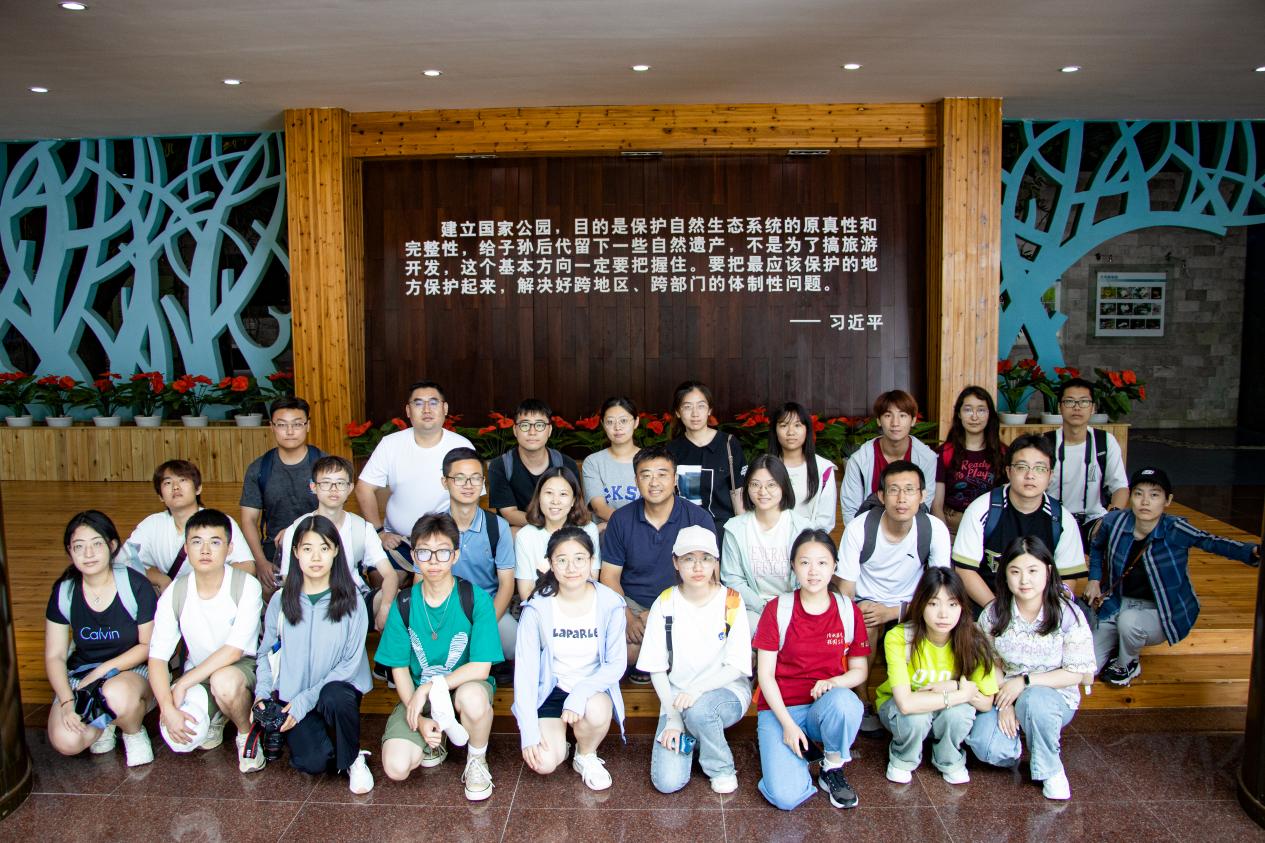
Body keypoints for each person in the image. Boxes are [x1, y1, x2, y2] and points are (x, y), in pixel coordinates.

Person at [1086, 467, 1262, 686]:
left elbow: (1211, 542)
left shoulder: (1175, 528)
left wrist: (1251, 551)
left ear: (1167, 500)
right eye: (1139, 494)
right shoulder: (1114, 521)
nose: (1145, 502)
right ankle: (1120, 644)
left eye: (1154, 495)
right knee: (1087, 667)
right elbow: (1097, 546)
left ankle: (1128, 662)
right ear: (1131, 497)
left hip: (1159, 610)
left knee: (1129, 622)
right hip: (1116, 604)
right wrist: (1094, 579)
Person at [375, 514, 503, 802]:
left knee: (473, 698)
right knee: (396, 767)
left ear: (455, 555)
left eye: (443, 552)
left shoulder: (475, 599)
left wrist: (430, 687)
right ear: (413, 556)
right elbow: (399, 670)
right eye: (424, 552)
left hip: (462, 688)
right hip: (420, 697)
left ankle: (477, 759)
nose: (433, 561)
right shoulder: (404, 603)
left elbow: (481, 668)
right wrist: (420, 719)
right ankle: (436, 735)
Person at [967, 537, 1097, 801]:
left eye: (1033, 571)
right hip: (1005, 692)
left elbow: (1076, 672)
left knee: (1034, 701)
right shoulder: (994, 613)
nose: (1024, 580)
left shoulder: (1067, 614)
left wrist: (1025, 682)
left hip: (1052, 696)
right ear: (1005, 575)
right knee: (988, 748)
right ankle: (1022, 741)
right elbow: (988, 662)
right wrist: (1005, 702)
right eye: (1015, 571)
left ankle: (1051, 769)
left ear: (1048, 571)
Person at [255, 515, 374, 792]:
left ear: (335, 551)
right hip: (294, 694)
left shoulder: (352, 600)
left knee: (335, 696)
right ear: (296, 552)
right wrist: (262, 693)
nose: (316, 557)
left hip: (336, 691)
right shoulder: (281, 600)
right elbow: (265, 654)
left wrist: (304, 701)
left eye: (324, 548)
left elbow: (350, 664)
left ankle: (353, 758)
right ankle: (334, 745)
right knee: (311, 762)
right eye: (307, 548)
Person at [753, 529, 868, 811]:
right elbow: (765, 676)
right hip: (781, 709)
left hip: (822, 706)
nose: (813, 571)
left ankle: (831, 766)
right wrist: (788, 726)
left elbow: (859, 671)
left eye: (822, 563)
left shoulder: (847, 611)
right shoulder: (777, 609)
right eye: (805, 562)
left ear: (834, 566)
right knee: (785, 797)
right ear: (793, 566)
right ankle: (785, 755)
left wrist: (835, 682)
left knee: (845, 702)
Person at [834, 460, 952, 734]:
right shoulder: (860, 528)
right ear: (881, 495)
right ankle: (862, 698)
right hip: (866, 601)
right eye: (894, 490)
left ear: (922, 495)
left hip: (914, 604)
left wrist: (895, 612)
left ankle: (916, 695)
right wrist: (853, 616)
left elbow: (939, 591)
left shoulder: (934, 530)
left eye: (910, 490)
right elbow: (846, 590)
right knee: (866, 622)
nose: (901, 498)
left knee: (933, 620)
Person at [147, 509, 265, 773]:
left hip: (242, 668)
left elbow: (234, 651)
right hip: (200, 671)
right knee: (180, 738)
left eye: (215, 542)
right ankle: (218, 713)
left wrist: (182, 684)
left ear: (229, 548)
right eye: (197, 542)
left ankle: (246, 734)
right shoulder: (175, 591)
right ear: (186, 548)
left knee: (224, 683)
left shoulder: (246, 585)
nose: (205, 550)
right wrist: (167, 707)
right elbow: (157, 657)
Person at [637, 525, 752, 794]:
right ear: (676, 562)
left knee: (699, 710)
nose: (698, 567)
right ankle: (698, 733)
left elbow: (736, 666)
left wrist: (697, 690)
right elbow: (656, 668)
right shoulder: (665, 603)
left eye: (706, 558)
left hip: (726, 692)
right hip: (676, 699)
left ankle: (721, 768)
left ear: (716, 562)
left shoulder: (731, 601)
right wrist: (673, 717)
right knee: (667, 782)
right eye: (689, 558)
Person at [513, 527, 627, 791]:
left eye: (579, 559)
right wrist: (528, 731)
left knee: (596, 710)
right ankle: (561, 744)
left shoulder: (610, 603)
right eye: (562, 560)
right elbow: (526, 673)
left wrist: (581, 692)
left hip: (591, 692)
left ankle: (585, 754)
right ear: (550, 564)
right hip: (551, 690)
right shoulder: (537, 607)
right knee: (543, 762)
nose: (571, 567)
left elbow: (616, 664)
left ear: (591, 561)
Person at [44, 511, 158, 766]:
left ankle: (132, 731)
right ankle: (105, 723)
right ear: (70, 551)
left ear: (112, 546)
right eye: (79, 546)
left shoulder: (135, 585)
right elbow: (55, 656)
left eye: (96, 544)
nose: (88, 553)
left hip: (131, 671)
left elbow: (147, 646)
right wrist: (67, 701)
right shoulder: (65, 591)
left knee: (115, 694)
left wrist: (102, 671)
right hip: (83, 674)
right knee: (66, 740)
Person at [599, 445, 717, 678]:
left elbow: (711, 578)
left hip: (682, 603)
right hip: (633, 605)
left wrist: (659, 615)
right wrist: (627, 616)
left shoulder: (698, 518)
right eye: (646, 475)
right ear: (636, 480)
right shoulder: (621, 520)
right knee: (627, 653)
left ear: (675, 479)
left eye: (662, 474)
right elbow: (609, 576)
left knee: (692, 651)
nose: (654, 482)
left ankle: (661, 658)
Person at [874, 567, 997, 785]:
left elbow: (986, 702)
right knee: (916, 717)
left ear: (962, 607)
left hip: (942, 712)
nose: (943, 614)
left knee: (959, 713)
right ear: (920, 604)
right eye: (933, 604)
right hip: (900, 712)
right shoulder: (900, 637)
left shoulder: (974, 640)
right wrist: (962, 693)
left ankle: (949, 759)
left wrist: (953, 685)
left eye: (952, 604)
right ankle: (903, 759)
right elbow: (905, 704)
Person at [951, 434, 1087, 612]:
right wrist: (997, 611)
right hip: (987, 604)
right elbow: (965, 570)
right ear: (1008, 471)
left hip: (1041, 609)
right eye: (1022, 467)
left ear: (1050, 475)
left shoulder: (1062, 519)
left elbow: (1067, 577)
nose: (1030, 475)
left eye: (1040, 468)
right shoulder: (982, 510)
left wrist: (1042, 612)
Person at [355, 380, 474, 563]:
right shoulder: (391, 444)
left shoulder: (462, 446)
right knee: (384, 577)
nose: (426, 409)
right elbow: (364, 488)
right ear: (408, 411)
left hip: (445, 541)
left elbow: (472, 496)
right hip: (398, 540)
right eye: (418, 403)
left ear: (445, 408)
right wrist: (379, 532)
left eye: (433, 403)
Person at [277, 456, 399, 633]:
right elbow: (287, 579)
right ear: (313, 487)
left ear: (350, 488)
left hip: (354, 601)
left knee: (394, 597)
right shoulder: (296, 529)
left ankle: (383, 653)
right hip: (311, 603)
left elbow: (390, 574)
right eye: (326, 483)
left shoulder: (362, 528)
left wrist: (385, 608)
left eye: (340, 483)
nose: (333, 489)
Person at [240, 396, 325, 598]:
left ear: (308, 426)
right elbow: (248, 520)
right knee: (266, 590)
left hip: (320, 543)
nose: (290, 431)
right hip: (274, 548)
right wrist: (261, 562)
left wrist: (295, 529)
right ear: (272, 427)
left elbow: (334, 511)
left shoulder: (325, 465)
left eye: (297, 424)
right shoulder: (259, 469)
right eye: (282, 424)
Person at [123, 459, 254, 591]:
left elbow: (247, 567)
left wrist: (197, 584)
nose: (175, 487)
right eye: (167, 483)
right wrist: (159, 578)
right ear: (161, 496)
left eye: (183, 480)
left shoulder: (219, 521)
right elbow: (122, 562)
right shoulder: (151, 525)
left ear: (198, 488)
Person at [441, 447, 518, 659]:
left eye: (476, 478)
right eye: (459, 478)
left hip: (488, 609)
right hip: (444, 611)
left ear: (483, 483)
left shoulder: (497, 526)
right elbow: (421, 582)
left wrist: (484, 625)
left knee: (516, 644)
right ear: (445, 482)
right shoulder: (434, 527)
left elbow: (506, 585)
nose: (468, 485)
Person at [720, 454, 811, 631]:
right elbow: (732, 579)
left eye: (771, 485)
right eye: (755, 484)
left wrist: (786, 609)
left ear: (783, 486)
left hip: (797, 606)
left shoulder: (802, 528)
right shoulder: (735, 529)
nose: (763, 491)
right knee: (745, 628)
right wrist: (764, 608)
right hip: (752, 608)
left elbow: (810, 576)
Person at [1044, 377, 1129, 545]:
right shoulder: (1045, 442)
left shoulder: (1105, 441)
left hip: (1094, 519)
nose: (1076, 407)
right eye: (1069, 401)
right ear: (1059, 407)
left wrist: (1111, 518)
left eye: (1084, 402)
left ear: (1093, 408)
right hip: (1052, 519)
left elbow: (1120, 487)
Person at [840, 390, 938, 525]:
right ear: (878, 420)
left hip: (910, 530)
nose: (895, 423)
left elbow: (923, 505)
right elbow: (850, 511)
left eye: (902, 415)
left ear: (913, 420)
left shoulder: (927, 459)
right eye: (888, 415)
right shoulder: (859, 460)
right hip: (868, 530)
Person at [488, 398, 582, 531]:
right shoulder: (501, 465)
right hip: (522, 529)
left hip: (560, 528)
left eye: (539, 425)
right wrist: (546, 525)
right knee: (513, 532)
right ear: (515, 430)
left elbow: (575, 507)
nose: (532, 432)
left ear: (549, 430)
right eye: (525, 425)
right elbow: (509, 514)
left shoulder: (566, 464)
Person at [665, 380, 747, 529]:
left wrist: (742, 531)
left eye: (701, 406)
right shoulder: (672, 449)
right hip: (685, 530)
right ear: (677, 412)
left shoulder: (728, 444)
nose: (695, 413)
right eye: (687, 407)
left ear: (709, 410)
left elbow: (738, 492)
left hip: (724, 529)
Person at [514, 467, 601, 601]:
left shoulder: (588, 530)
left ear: (573, 500)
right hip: (540, 607)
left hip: (581, 604)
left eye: (563, 494)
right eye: (549, 493)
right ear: (539, 497)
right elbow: (526, 591)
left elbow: (592, 579)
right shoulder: (525, 536)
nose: (555, 501)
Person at [932, 386, 1006, 538]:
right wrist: (944, 538)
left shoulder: (1003, 453)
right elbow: (936, 505)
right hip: (952, 529)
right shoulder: (944, 453)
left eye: (981, 410)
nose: (974, 417)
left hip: (991, 528)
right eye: (968, 410)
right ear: (959, 414)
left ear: (989, 414)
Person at [767, 402, 838, 532]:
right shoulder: (764, 467)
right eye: (783, 425)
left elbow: (825, 521)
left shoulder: (823, 469)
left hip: (809, 539)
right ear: (775, 430)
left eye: (797, 425)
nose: (791, 432)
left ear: (807, 430)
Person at [583, 397, 642, 526]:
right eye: (610, 422)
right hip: (608, 532)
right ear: (603, 424)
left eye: (623, 421)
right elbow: (599, 507)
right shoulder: (593, 462)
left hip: (646, 531)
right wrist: (629, 525)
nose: (617, 427)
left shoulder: (649, 459)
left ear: (636, 422)